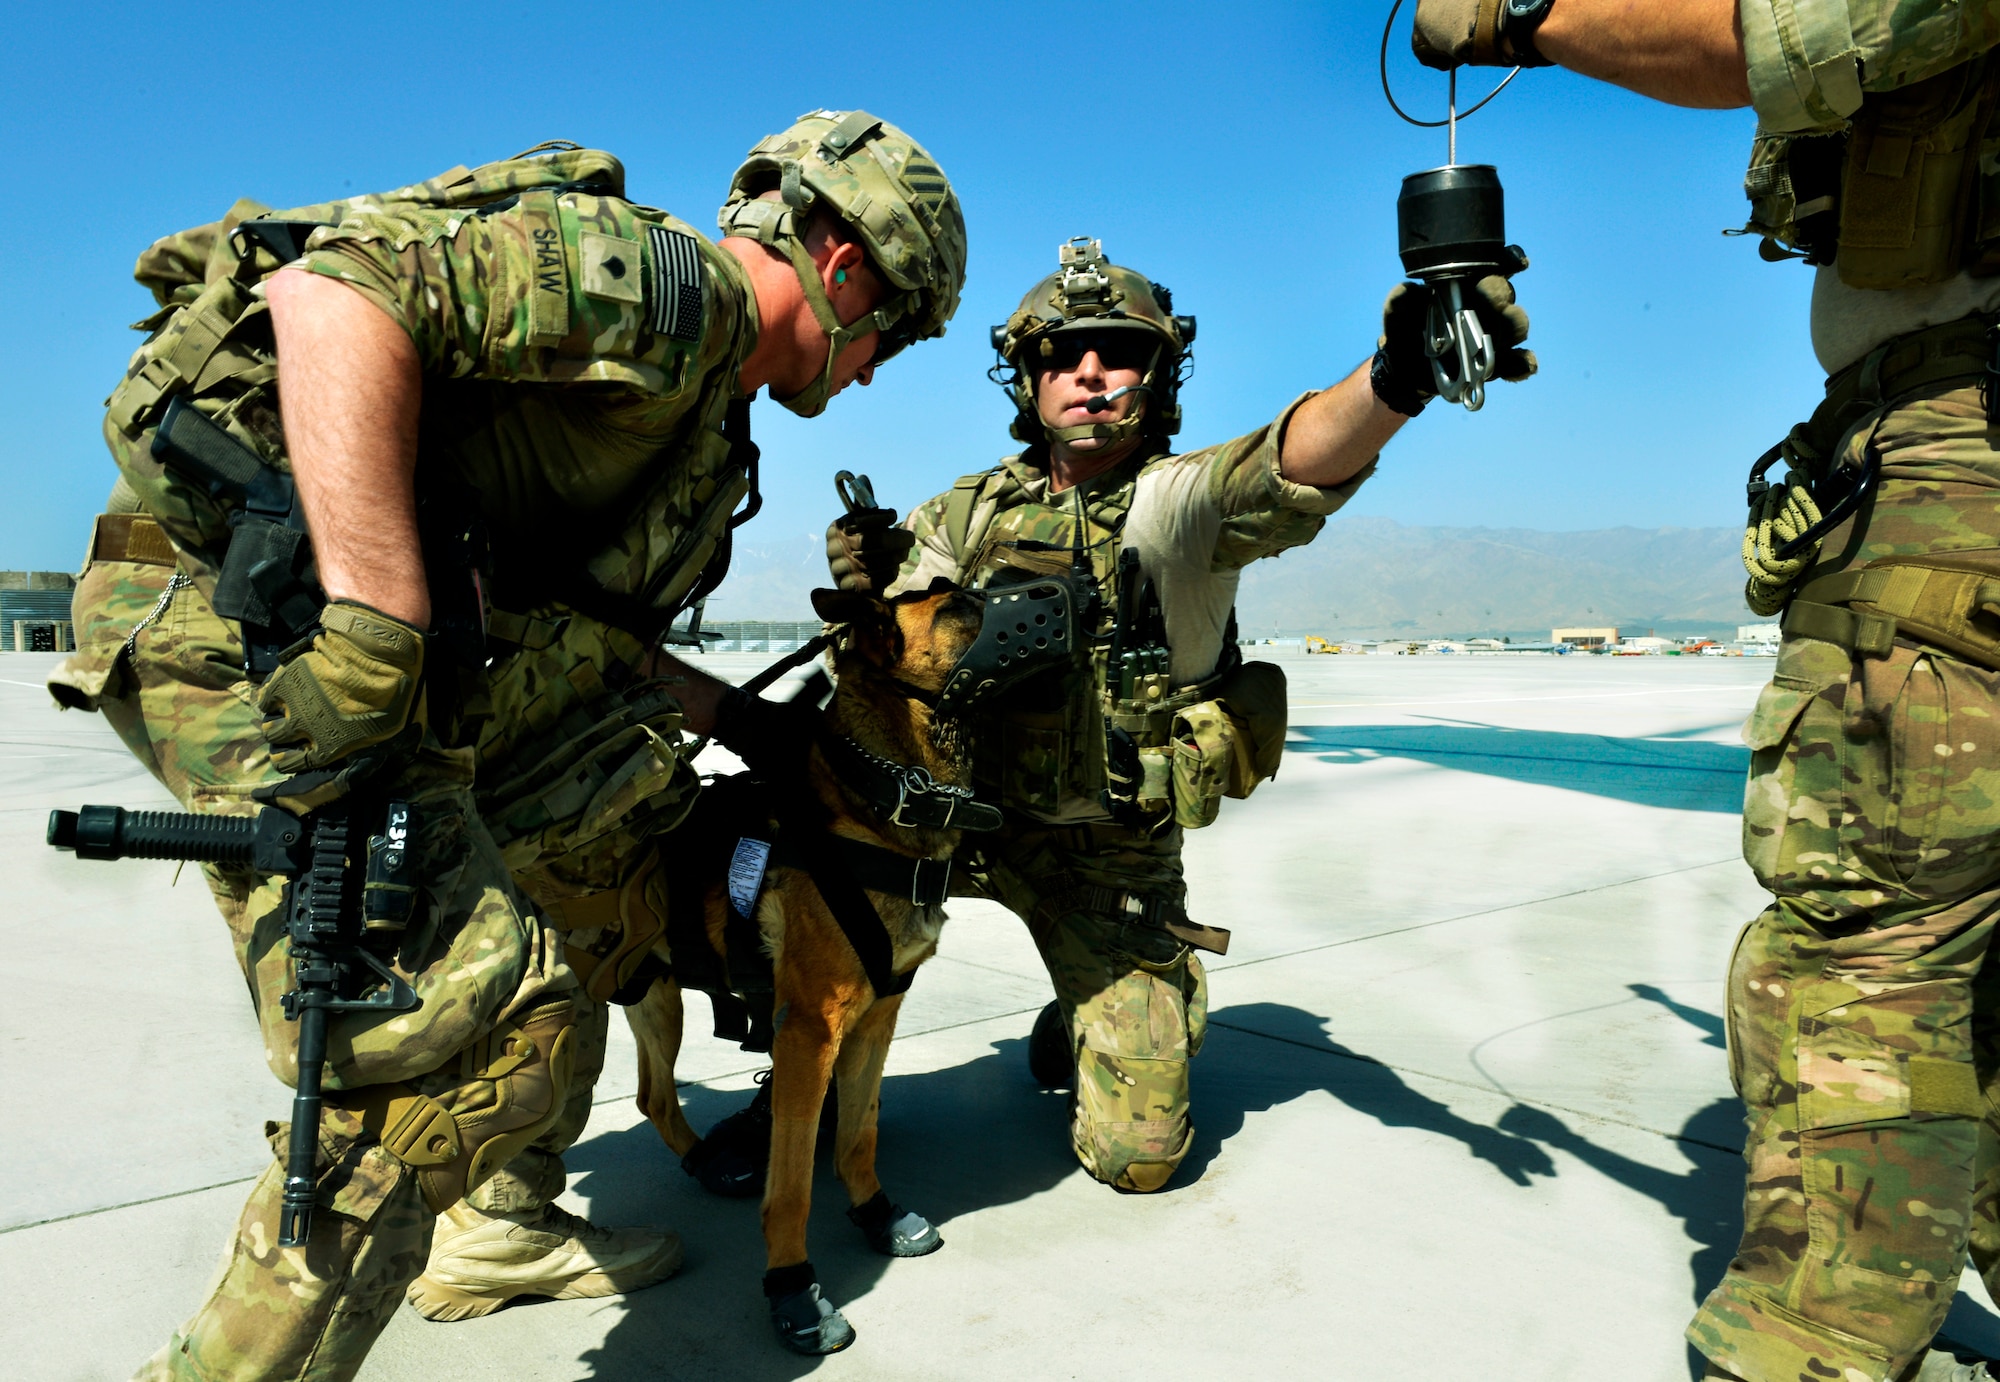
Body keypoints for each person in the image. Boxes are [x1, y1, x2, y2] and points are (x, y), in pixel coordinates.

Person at [50, 110, 963, 1379]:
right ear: (847, 267)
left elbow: (595, 634)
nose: (873, 369)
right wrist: (377, 620)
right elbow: (332, 292)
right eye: (897, 335)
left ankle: (502, 1226)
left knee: (611, 885)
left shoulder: (702, 419)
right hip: (238, 617)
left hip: (355, 651)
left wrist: (738, 718)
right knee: (470, 1036)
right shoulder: (679, 295)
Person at [1411, 3, 2000, 1380]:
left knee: (1869, 943)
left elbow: (1777, 38)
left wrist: (1515, 18)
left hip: (1959, 449)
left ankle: (1811, 1342)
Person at [821, 234, 1533, 1191]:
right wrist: (867, 587)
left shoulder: (1179, 505)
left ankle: (1113, 999)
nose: (1087, 372)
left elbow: (1296, 456)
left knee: (1138, 1158)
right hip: (955, 829)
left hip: (1102, 854)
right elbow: (880, 665)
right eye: (1059, 356)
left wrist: (1399, 377)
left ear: (1156, 374)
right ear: (1026, 380)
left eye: (1115, 351)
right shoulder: (965, 513)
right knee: (789, 900)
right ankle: (800, 1071)